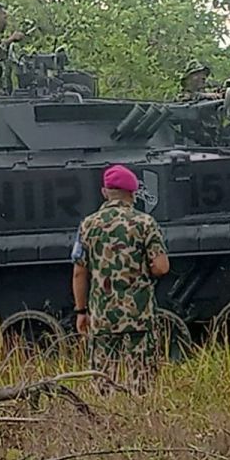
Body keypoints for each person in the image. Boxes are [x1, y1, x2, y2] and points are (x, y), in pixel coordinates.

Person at [71, 165, 170, 394]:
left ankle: (106, 421)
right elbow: (162, 267)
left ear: (105, 193)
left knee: (103, 379)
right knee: (143, 381)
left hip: (102, 315)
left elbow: (79, 272)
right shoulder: (145, 223)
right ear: (133, 193)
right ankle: (142, 420)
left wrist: (81, 311)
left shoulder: (88, 225)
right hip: (139, 314)